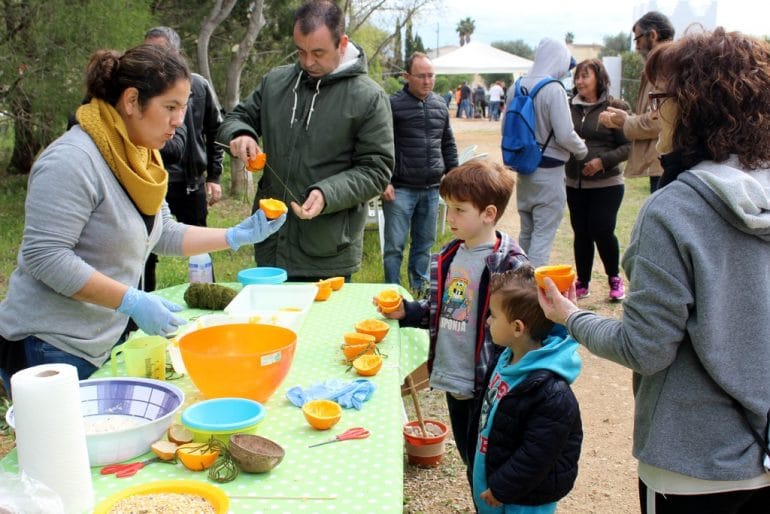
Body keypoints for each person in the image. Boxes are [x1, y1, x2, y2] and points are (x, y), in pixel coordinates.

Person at [539, 28, 770, 514]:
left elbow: (645, 348)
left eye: (659, 97)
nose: (649, 111)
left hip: (692, 463)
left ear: (690, 106)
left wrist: (570, 316)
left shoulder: (674, 210)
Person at [0, 44, 285, 393]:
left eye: (183, 107)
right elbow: (46, 257)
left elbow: (161, 231)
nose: (179, 121)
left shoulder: (140, 155)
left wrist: (235, 236)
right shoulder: (71, 161)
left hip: (99, 340)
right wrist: (131, 300)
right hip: (49, 346)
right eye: (170, 107)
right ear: (132, 101)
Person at [217, 0, 393, 282]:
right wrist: (241, 134)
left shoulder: (369, 98)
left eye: (318, 53)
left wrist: (327, 193)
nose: (308, 62)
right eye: (301, 51)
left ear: (342, 43)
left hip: (327, 251)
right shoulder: (276, 82)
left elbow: (376, 170)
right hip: (271, 243)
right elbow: (236, 118)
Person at [378, 160, 530, 483]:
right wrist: (408, 312)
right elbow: (443, 307)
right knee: (468, 456)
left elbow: (523, 330)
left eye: (459, 210)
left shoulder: (510, 264)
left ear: (489, 214)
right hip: (453, 378)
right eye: (448, 208)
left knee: (487, 460)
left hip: (487, 384)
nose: (450, 218)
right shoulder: (451, 256)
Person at [472, 266, 582, 514]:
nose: (488, 321)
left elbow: (536, 455)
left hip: (524, 499)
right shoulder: (504, 359)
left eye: (493, 315)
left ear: (518, 328)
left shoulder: (551, 393)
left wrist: (502, 488)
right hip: (495, 480)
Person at [143, 26, 224, 291]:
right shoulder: (141, 89)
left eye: (160, 52)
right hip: (150, 177)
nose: (154, 59)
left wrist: (214, 176)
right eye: (148, 52)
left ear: (176, 54)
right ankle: (141, 307)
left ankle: (208, 298)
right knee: (145, 247)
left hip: (189, 181)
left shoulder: (199, 86)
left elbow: (215, 131)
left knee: (200, 245)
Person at [383, 52, 458, 294]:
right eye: (421, 76)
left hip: (431, 187)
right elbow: (379, 145)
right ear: (407, 76)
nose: (427, 81)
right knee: (395, 245)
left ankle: (419, 288)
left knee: (424, 243)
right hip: (400, 189)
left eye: (431, 76)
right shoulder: (392, 105)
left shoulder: (439, 105)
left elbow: (447, 142)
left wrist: (454, 175)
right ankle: (392, 289)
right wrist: (383, 180)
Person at [508, 37, 587, 267]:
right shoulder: (553, 89)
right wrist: (582, 150)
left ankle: (519, 287)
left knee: (526, 233)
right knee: (542, 237)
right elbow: (565, 135)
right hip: (550, 172)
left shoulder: (517, 86)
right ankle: (533, 295)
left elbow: (506, 128)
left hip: (524, 170)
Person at [566, 59, 630, 301]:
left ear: (599, 78)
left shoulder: (615, 107)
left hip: (608, 184)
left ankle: (614, 278)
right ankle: (583, 281)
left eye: (585, 76)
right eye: (577, 77)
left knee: (602, 230)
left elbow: (629, 145)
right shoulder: (569, 106)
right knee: (581, 232)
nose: (579, 81)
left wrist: (602, 161)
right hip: (574, 182)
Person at [598, 11, 674, 193]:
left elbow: (658, 120)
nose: (637, 46)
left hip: (668, 164)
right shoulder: (666, 65)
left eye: (637, 39)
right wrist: (626, 119)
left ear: (653, 35)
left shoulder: (664, 68)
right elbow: (656, 114)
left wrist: (627, 121)